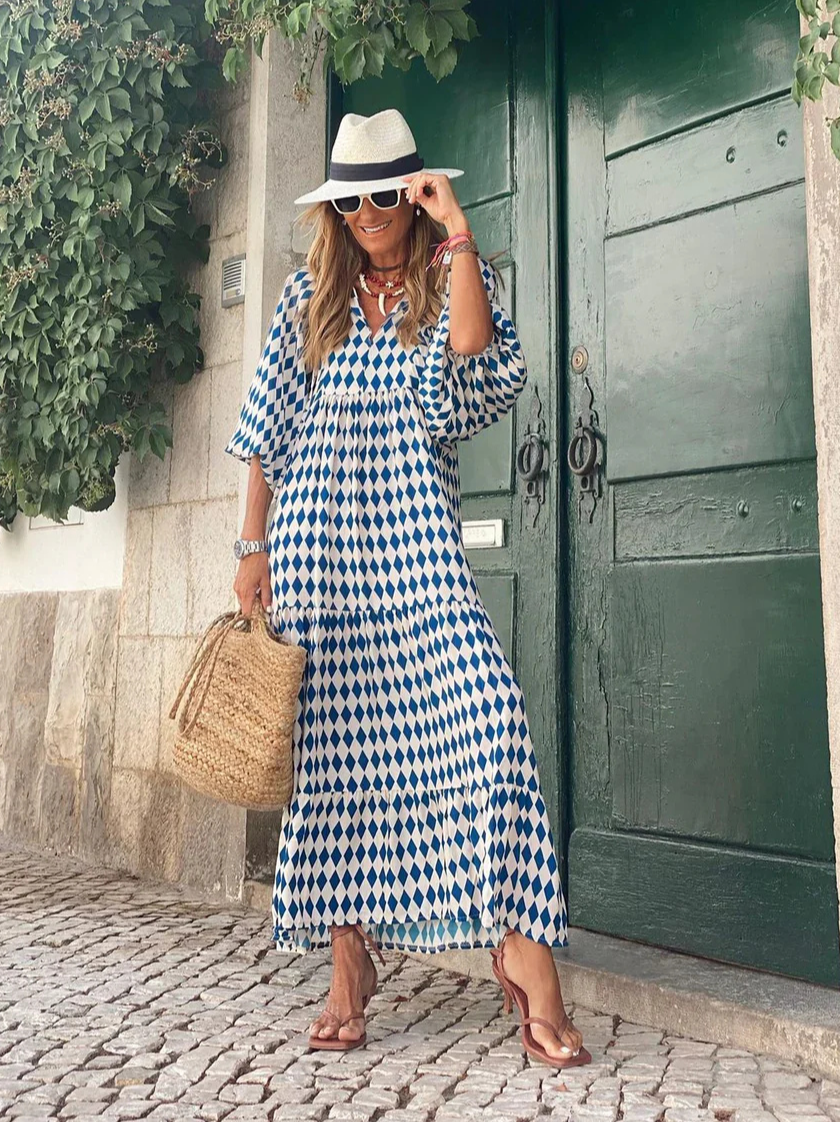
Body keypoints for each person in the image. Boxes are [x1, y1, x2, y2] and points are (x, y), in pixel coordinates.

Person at [225, 108, 590, 1068]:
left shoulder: (453, 276)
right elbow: (265, 430)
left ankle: (525, 953)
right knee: (336, 769)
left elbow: (473, 353)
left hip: (420, 556)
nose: (368, 214)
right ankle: (351, 967)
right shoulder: (310, 297)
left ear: (414, 192)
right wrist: (252, 545)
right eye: (350, 201)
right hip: (320, 557)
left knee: (491, 725)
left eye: (385, 193)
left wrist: (455, 226)